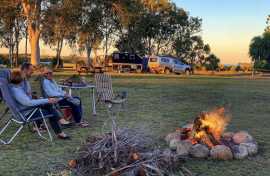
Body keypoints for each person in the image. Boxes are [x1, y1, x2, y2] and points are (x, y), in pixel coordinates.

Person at [9, 70, 70, 140]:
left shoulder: (17, 88)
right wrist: (47, 100)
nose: (25, 79)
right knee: (51, 112)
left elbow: (28, 100)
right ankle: (60, 131)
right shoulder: (16, 91)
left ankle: (60, 122)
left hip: (28, 109)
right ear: (19, 79)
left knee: (48, 105)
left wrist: (44, 100)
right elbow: (29, 103)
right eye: (23, 78)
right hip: (28, 113)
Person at [20, 63, 71, 128]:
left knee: (47, 104)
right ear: (25, 69)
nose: (33, 71)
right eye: (31, 70)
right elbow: (27, 100)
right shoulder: (20, 82)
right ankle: (60, 122)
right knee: (48, 105)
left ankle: (39, 126)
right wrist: (45, 99)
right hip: (26, 108)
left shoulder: (26, 80)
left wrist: (35, 96)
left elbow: (29, 93)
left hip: (32, 101)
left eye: (50, 72)